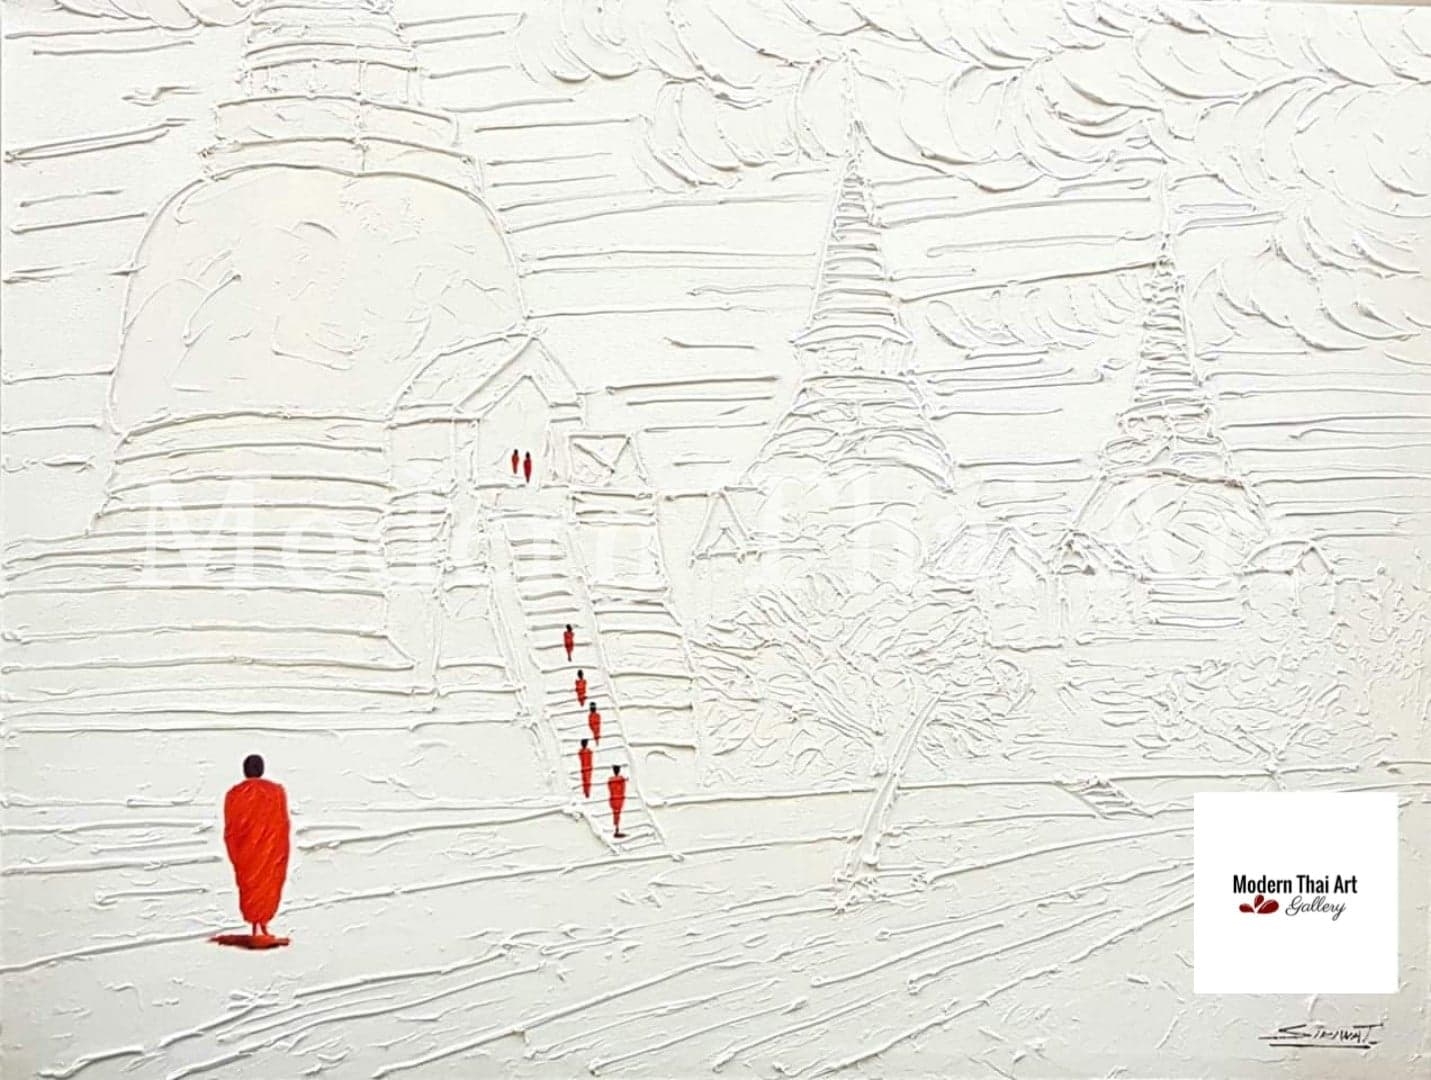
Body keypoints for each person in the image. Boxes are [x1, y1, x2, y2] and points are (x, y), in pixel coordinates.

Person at [221, 754, 290, 942]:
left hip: (246, 851)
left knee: (250, 885)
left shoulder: (234, 794)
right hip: (270, 848)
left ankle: (255, 926)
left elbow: (231, 828)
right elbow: (282, 824)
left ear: (245, 771)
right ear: (262, 770)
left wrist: (234, 851)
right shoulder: (276, 792)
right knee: (268, 883)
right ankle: (262, 925)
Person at [607, 764, 627, 839]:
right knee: (617, 814)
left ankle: (616, 828)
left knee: (616, 814)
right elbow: (622, 789)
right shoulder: (620, 779)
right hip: (618, 798)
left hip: (614, 799)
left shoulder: (611, 780)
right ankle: (616, 829)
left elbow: (611, 788)